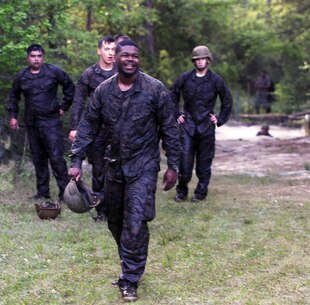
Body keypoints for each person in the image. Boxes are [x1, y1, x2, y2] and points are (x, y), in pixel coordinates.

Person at [68, 39, 180, 302]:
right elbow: (87, 125)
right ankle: (131, 260)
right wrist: (75, 162)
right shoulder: (104, 91)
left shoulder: (155, 89)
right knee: (115, 221)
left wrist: (173, 165)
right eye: (125, 55)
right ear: (115, 58)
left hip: (144, 165)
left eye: (135, 56)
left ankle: (129, 279)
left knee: (135, 220)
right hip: (114, 165)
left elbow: (169, 129)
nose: (130, 59)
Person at [7, 43, 74, 202]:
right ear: (28, 58)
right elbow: (13, 96)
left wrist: (64, 106)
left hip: (51, 121)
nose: (36, 59)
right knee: (38, 157)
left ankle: (65, 193)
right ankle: (43, 192)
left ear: (43, 57)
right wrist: (13, 116)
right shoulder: (22, 76)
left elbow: (70, 87)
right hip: (32, 123)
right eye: (33, 56)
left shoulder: (53, 71)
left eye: (39, 56)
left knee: (56, 157)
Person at [171, 45, 232, 203]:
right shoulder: (185, 78)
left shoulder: (215, 80)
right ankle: (182, 190)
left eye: (203, 58)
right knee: (184, 162)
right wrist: (177, 114)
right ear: (194, 61)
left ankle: (201, 192)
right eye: (197, 59)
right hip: (188, 125)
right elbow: (172, 94)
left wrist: (219, 119)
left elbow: (227, 100)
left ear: (208, 60)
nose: (200, 61)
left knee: (204, 163)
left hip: (206, 126)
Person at [68, 36, 117, 222]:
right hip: (96, 131)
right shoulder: (89, 74)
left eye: (113, 49)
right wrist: (75, 127)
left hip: (118, 131)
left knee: (119, 171)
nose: (111, 53)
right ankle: (102, 211)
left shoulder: (123, 72)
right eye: (107, 49)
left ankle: (119, 210)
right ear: (99, 51)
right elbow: (78, 102)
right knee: (98, 171)